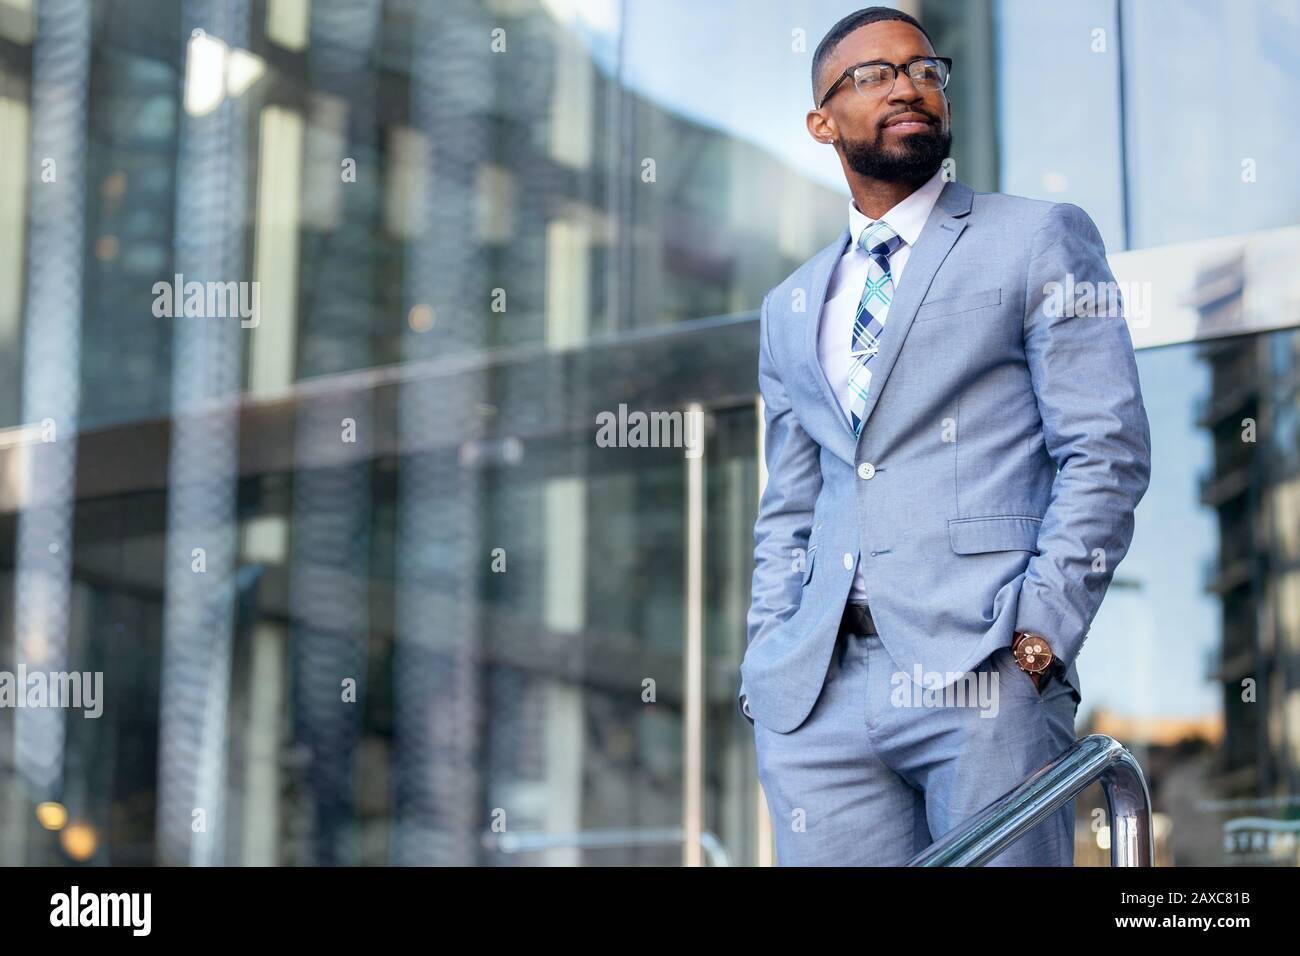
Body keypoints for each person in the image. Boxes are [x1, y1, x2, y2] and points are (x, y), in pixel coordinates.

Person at [738, 6, 1151, 866]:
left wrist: (1040, 636)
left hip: (983, 669)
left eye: (924, 69)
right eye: (874, 74)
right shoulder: (790, 306)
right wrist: (767, 656)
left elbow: (1104, 449)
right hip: (817, 698)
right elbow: (790, 502)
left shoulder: (1038, 237)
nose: (908, 86)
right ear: (822, 123)